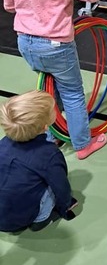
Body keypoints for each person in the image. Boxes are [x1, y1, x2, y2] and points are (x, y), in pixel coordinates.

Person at [1, 0, 107, 159]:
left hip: (26, 43)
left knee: (49, 89)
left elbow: (9, 6)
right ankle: (82, 145)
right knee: (72, 93)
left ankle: (52, 135)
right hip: (55, 44)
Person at [0, 90, 77, 233]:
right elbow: (61, 187)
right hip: (19, 219)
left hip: (4, 212)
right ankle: (41, 219)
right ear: (45, 126)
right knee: (51, 185)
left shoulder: (3, 143)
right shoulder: (49, 155)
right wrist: (65, 206)